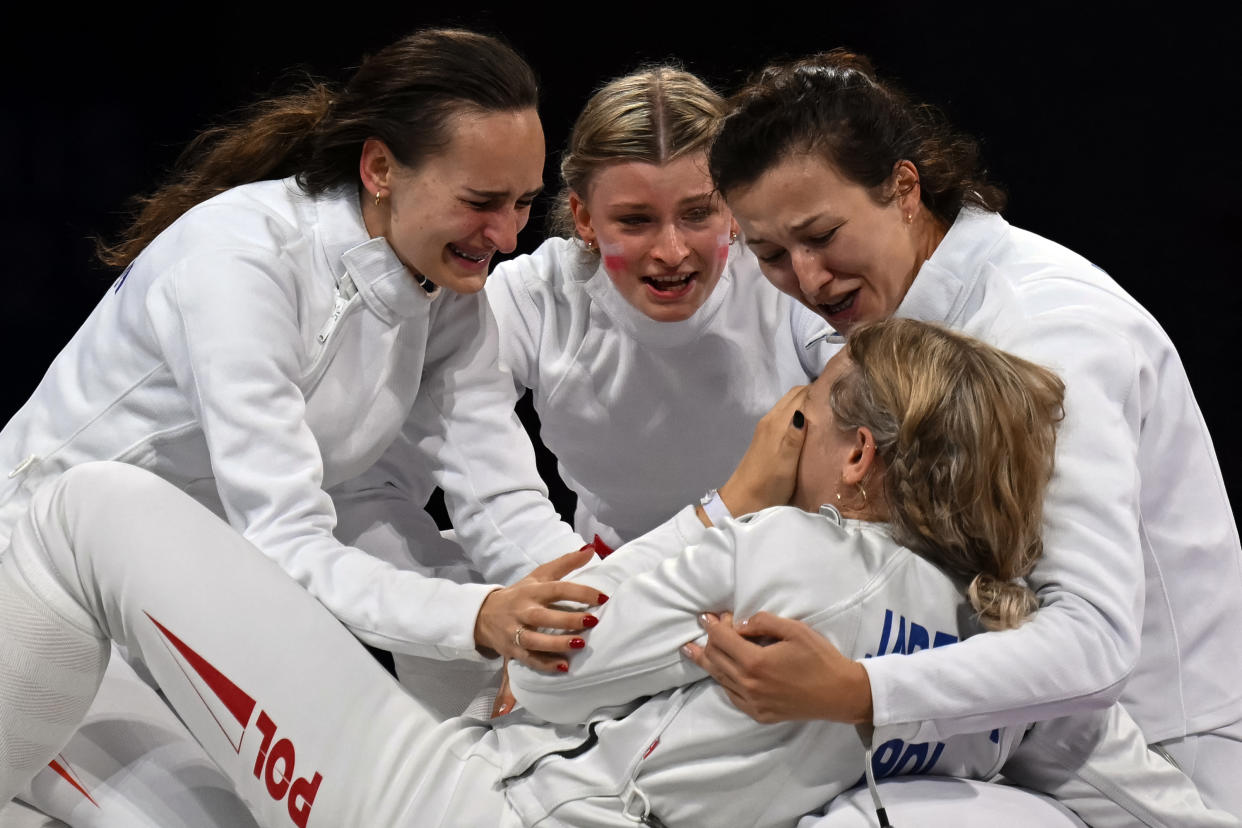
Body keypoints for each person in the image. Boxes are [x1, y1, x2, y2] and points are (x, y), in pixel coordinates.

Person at [1, 319, 1229, 828]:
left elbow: (540, 678)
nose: (781, 419)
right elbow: (1159, 800)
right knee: (88, 764)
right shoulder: (999, 661)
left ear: (855, 457)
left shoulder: (791, 547)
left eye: (804, 411)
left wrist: (729, 503)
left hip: (471, 812)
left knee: (86, 509)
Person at [0, 28, 603, 826]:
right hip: (37, 587)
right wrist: (475, 618)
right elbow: (282, 542)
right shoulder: (238, 263)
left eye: (524, 202)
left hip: (183, 608)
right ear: (381, 168)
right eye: (481, 202)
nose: (508, 235)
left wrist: (606, 604)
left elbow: (499, 501)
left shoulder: (447, 294)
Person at [682, 49, 1242, 818]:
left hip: (1157, 745)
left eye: (821, 235)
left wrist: (858, 690)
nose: (807, 280)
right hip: (967, 719)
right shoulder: (839, 317)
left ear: (905, 189)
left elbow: (1092, 642)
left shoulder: (1051, 330)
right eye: (772, 255)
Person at [485, 65, 831, 551]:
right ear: (584, 218)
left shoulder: (791, 274)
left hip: (782, 566)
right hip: (608, 578)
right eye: (636, 220)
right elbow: (479, 474)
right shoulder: (534, 298)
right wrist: (572, 589)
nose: (671, 251)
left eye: (696, 214)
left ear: (733, 207)